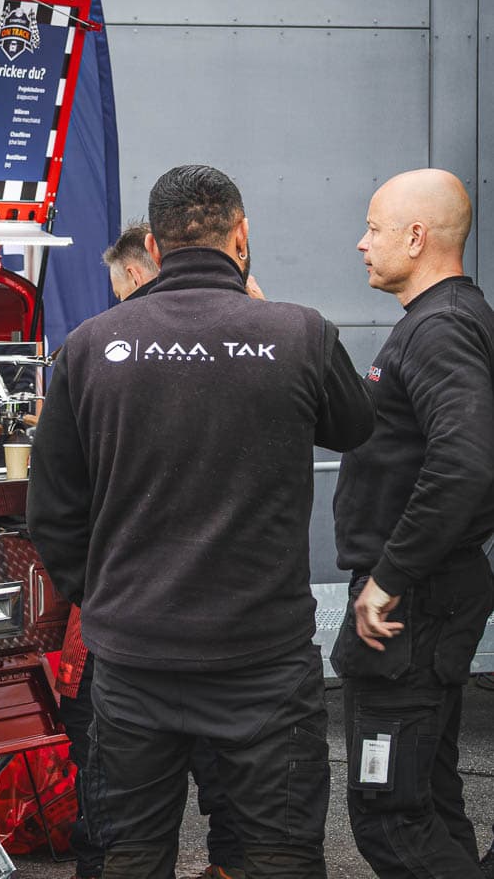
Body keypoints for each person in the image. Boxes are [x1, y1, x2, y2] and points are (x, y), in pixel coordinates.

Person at [27, 164, 375, 879]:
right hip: (264, 661)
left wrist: (105, 599)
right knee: (274, 855)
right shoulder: (300, 332)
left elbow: (53, 508)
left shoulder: (91, 346)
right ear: (240, 236)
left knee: (131, 854)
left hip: (132, 657)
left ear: (153, 246)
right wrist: (268, 324)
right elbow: (355, 425)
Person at [58, 221, 247, 879]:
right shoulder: (256, 348)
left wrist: (92, 594)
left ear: (138, 275)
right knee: (234, 797)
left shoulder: (95, 361)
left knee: (117, 813)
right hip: (230, 630)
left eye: (118, 288)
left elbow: (59, 506)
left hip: (128, 631)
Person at [331, 168, 494, 879]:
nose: (361, 243)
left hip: (407, 607)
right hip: (425, 596)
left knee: (391, 817)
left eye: (374, 227)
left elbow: (463, 465)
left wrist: (388, 578)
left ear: (417, 236)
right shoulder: (442, 321)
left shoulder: (441, 329)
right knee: (425, 796)